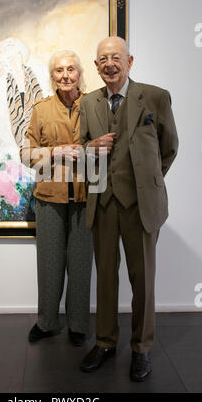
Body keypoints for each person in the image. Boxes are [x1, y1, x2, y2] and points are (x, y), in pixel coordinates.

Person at [79, 37, 178, 380]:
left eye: (116, 57)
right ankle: (105, 342)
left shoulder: (155, 97)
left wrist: (145, 184)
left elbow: (169, 148)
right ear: (96, 66)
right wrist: (90, 146)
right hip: (103, 203)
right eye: (103, 58)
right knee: (106, 277)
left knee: (143, 281)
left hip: (141, 207)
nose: (110, 63)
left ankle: (141, 348)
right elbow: (80, 149)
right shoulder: (88, 102)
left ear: (130, 60)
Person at [21, 50, 93, 346]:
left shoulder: (93, 105)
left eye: (71, 69)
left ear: (79, 74)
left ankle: (77, 325)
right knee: (49, 263)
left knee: (80, 263)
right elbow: (25, 154)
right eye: (59, 70)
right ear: (52, 76)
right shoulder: (41, 109)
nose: (65, 75)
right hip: (49, 197)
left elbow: (108, 145)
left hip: (86, 196)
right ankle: (46, 321)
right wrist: (55, 152)